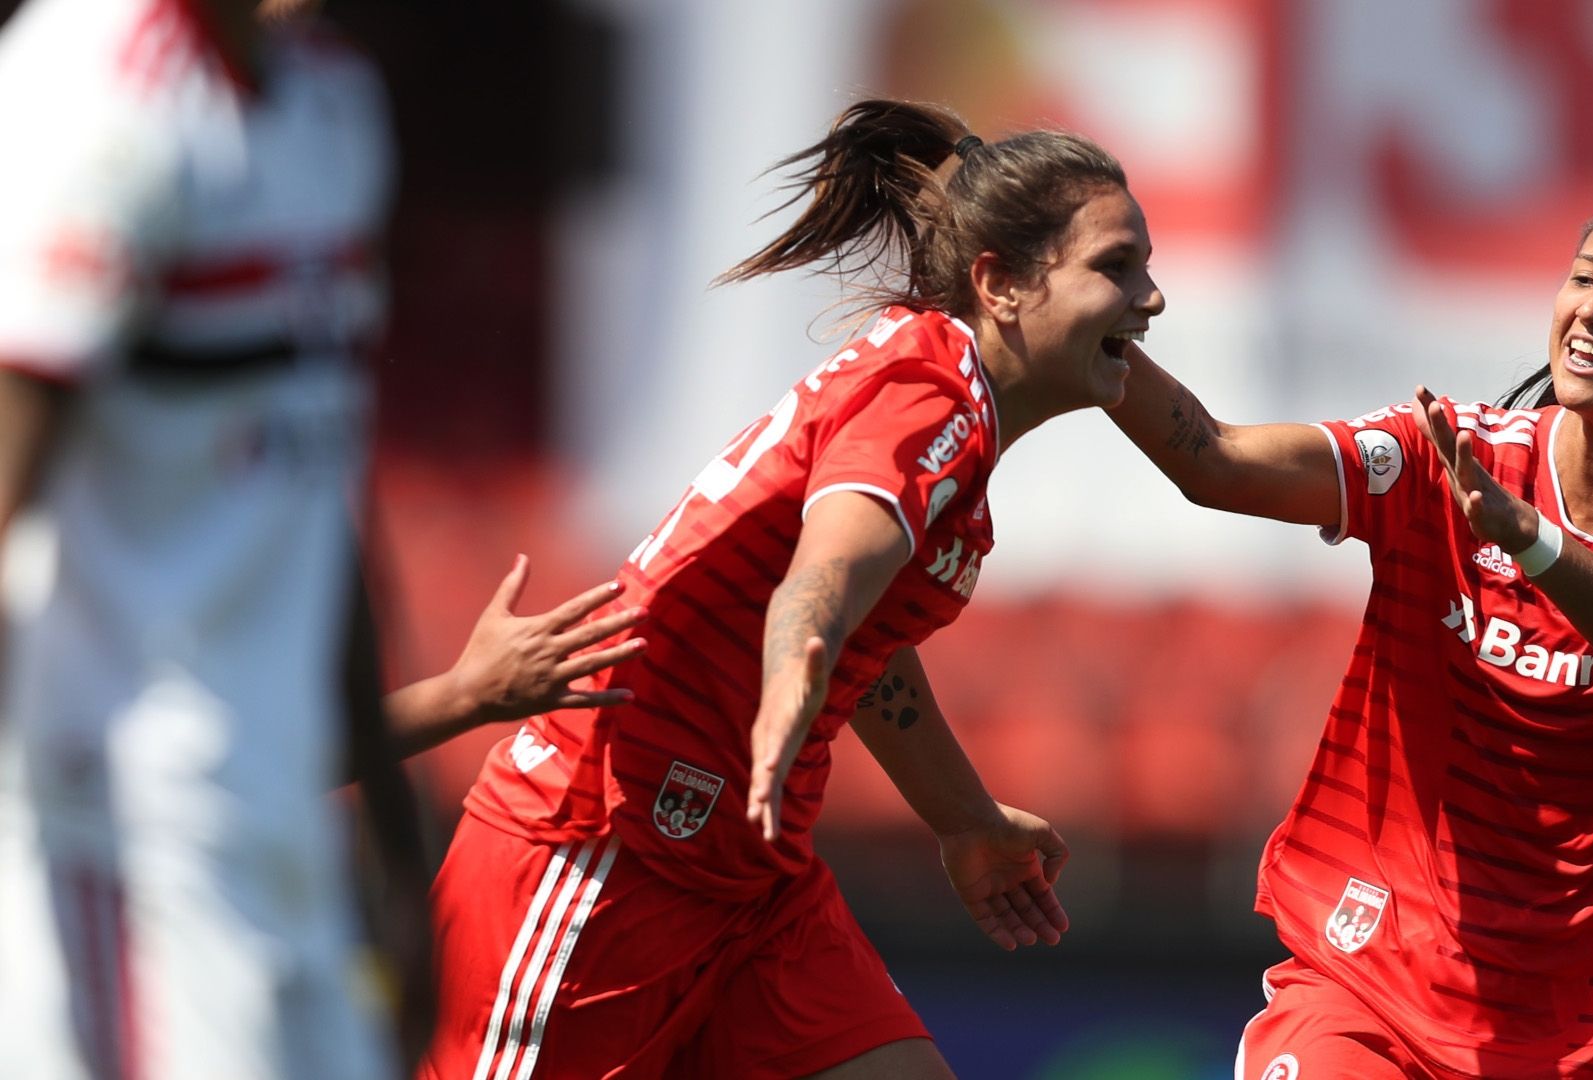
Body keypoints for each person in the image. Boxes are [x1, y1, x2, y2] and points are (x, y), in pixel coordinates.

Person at [421, 97, 1166, 1079]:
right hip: (601, 848)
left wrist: (964, 820)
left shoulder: (947, 405)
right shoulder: (929, 399)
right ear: (1004, 286)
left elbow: (861, 632)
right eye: (1117, 267)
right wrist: (789, 679)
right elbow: (824, 574)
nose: (1151, 298)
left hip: (750, 879)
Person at [0, 1, 642, 1076]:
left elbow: (313, 493)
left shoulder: (336, 109)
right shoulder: (95, 87)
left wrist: (399, 864)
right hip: (119, 826)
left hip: (283, 839)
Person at [1106, 189, 1593, 1078]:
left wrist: (1531, 541)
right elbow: (1215, 461)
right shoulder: (1451, 455)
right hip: (1365, 981)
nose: (1592, 308)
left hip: (1575, 1024)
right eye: (1583, 276)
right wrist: (1092, 341)